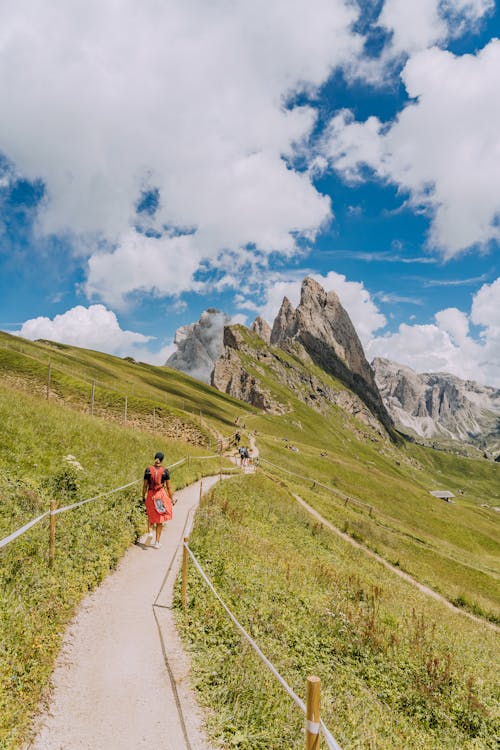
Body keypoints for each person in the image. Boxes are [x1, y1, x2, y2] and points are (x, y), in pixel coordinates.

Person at [139, 451, 175, 549]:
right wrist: (171, 499)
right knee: (160, 519)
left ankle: (150, 532)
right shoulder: (165, 471)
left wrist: (143, 496)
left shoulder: (148, 470)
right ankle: (157, 542)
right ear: (162, 460)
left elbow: (145, 486)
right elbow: (169, 488)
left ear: (154, 458)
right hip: (160, 496)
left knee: (151, 516)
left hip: (151, 495)